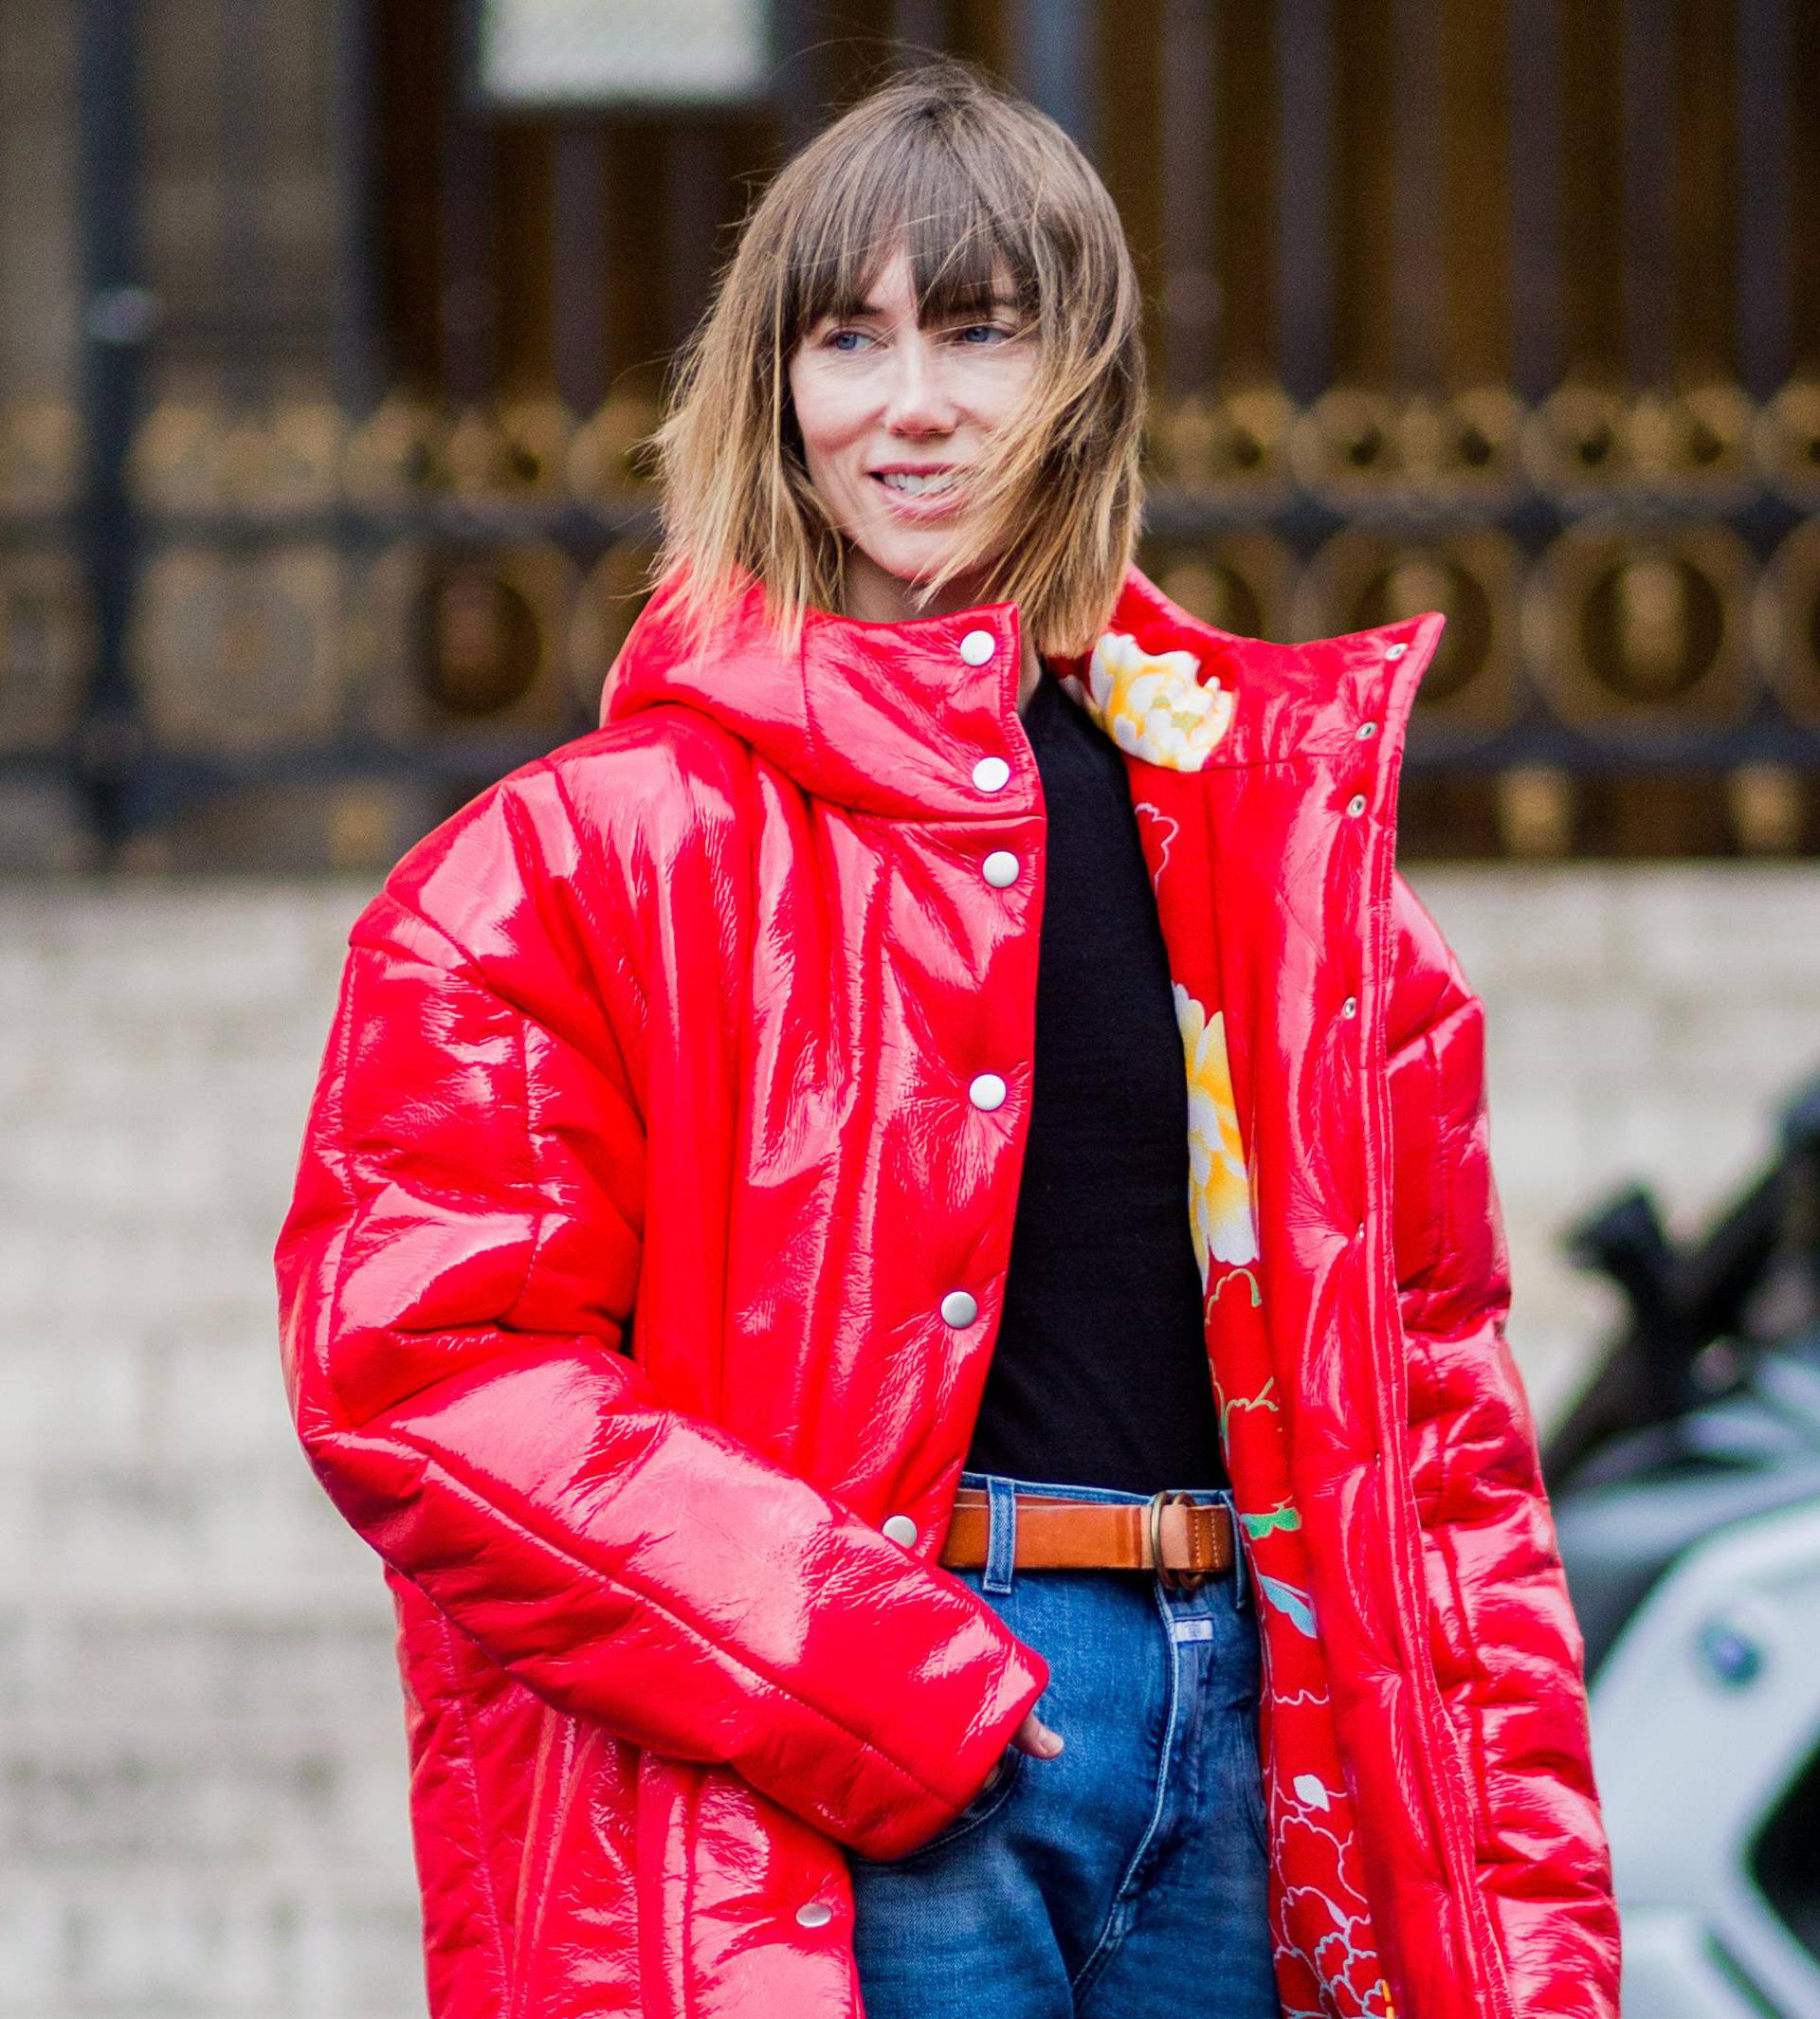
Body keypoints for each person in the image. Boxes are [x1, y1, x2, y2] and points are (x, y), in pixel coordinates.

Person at [275, 55, 1621, 2019]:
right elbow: (415, 1359)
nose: (909, 405)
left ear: (1085, 377)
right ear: (776, 389)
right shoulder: (578, 859)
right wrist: (877, 1673)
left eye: (978, 333)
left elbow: (1442, 1433)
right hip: (875, 1766)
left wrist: (1530, 1926)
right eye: (849, 339)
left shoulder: (1281, 846)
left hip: (1258, 1738)